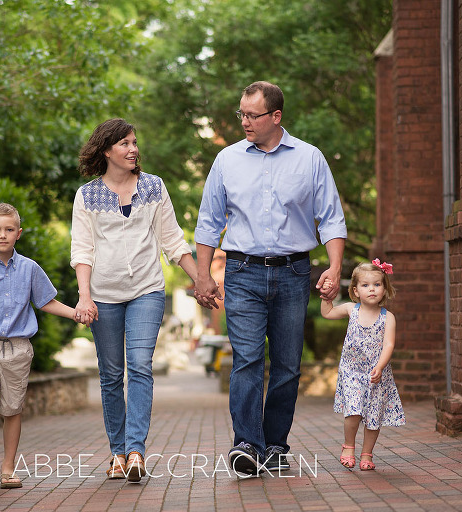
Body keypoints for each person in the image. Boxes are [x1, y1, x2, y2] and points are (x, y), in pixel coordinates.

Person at [194, 81, 347, 475]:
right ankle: (246, 444)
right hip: (242, 271)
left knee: (287, 365)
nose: (244, 121)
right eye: (241, 113)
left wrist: (334, 266)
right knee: (246, 358)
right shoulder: (227, 160)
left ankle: (275, 445)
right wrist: (202, 275)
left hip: (294, 272)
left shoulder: (310, 159)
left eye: (252, 115)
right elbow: (209, 221)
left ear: (276, 116)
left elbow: (331, 217)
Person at [70, 118, 199, 482]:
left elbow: (172, 240)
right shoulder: (87, 195)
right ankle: (117, 453)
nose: (133, 149)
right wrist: (85, 296)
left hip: (146, 290)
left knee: (140, 366)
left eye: (134, 142)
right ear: (107, 149)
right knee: (111, 375)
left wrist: (200, 279)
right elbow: (82, 249)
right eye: (125, 143)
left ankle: (136, 451)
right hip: (103, 297)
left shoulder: (154, 187)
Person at [0, 202, 79, 493]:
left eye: (9, 229)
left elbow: (45, 302)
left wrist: (76, 313)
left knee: (12, 410)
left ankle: (8, 470)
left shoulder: (30, 269)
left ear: (18, 233)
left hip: (19, 350)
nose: (3, 235)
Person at [320, 259, 405, 471]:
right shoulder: (351, 310)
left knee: (373, 415)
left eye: (377, 284)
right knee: (354, 411)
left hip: (376, 374)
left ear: (385, 288)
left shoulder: (388, 317)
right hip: (352, 372)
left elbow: (389, 344)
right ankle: (349, 446)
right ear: (356, 290)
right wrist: (325, 295)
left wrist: (380, 365)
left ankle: (367, 453)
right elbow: (327, 313)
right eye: (366, 285)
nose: (372, 289)